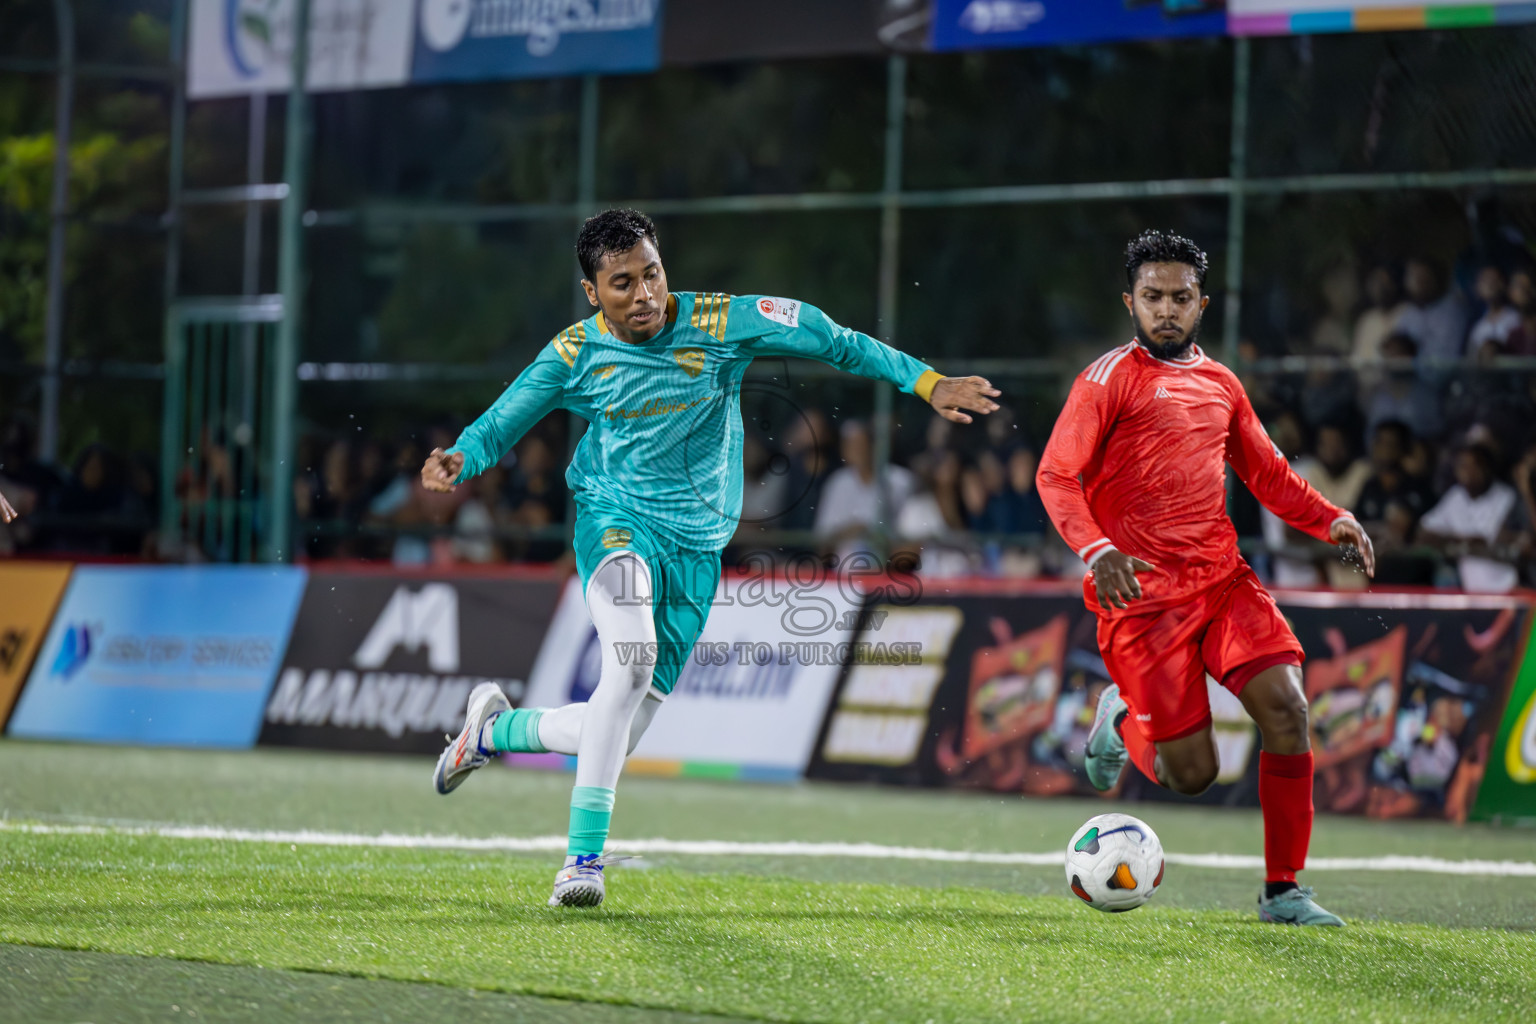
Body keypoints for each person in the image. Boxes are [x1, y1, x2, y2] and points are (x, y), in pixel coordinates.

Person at [421, 209, 999, 907]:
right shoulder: (574, 353)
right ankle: (581, 863)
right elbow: (504, 421)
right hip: (615, 521)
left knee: (618, 730)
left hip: (697, 551)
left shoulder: (722, 323)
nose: (644, 295)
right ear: (591, 292)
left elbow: (830, 337)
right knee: (627, 663)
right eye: (622, 283)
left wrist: (926, 382)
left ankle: (493, 729)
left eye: (653, 274)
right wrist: (463, 456)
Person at [1037, 230, 1374, 927]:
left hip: (1221, 583)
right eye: (1153, 297)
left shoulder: (1221, 383)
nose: (1167, 310)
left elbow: (1268, 475)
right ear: (1129, 301)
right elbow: (1056, 475)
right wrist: (1098, 549)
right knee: (1192, 775)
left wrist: (1331, 518)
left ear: (1202, 304)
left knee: (1287, 707)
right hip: (1140, 604)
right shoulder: (1104, 381)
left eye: (1180, 298)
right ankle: (1121, 714)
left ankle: (1284, 891)